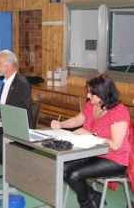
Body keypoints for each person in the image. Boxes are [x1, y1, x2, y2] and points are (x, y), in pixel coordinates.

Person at [51, 74, 131, 208]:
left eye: (91, 93)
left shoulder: (118, 111)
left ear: (102, 94)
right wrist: (61, 124)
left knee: (74, 175)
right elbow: (78, 120)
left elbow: (116, 145)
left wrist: (91, 136)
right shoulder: (91, 105)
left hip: (114, 159)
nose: (88, 96)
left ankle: (87, 204)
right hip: (93, 153)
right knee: (61, 168)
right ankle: (93, 196)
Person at [0, 49, 33, 166]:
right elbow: (3, 103)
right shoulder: (7, 82)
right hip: (6, 124)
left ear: (8, 65)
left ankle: (12, 168)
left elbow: (15, 110)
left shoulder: (22, 84)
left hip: (19, 129)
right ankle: (9, 166)